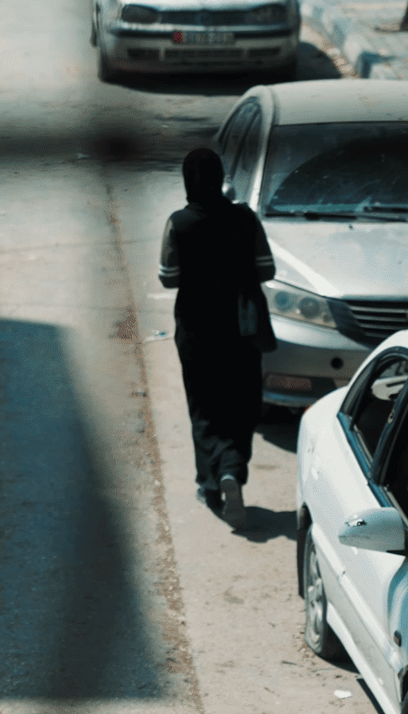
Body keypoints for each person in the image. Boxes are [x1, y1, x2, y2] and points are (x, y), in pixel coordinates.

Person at [158, 148, 277, 529]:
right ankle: (232, 472)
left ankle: (212, 483)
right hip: (241, 331)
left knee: (205, 408)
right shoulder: (245, 218)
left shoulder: (179, 223)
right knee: (242, 406)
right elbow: (266, 268)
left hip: (196, 333)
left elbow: (168, 277)